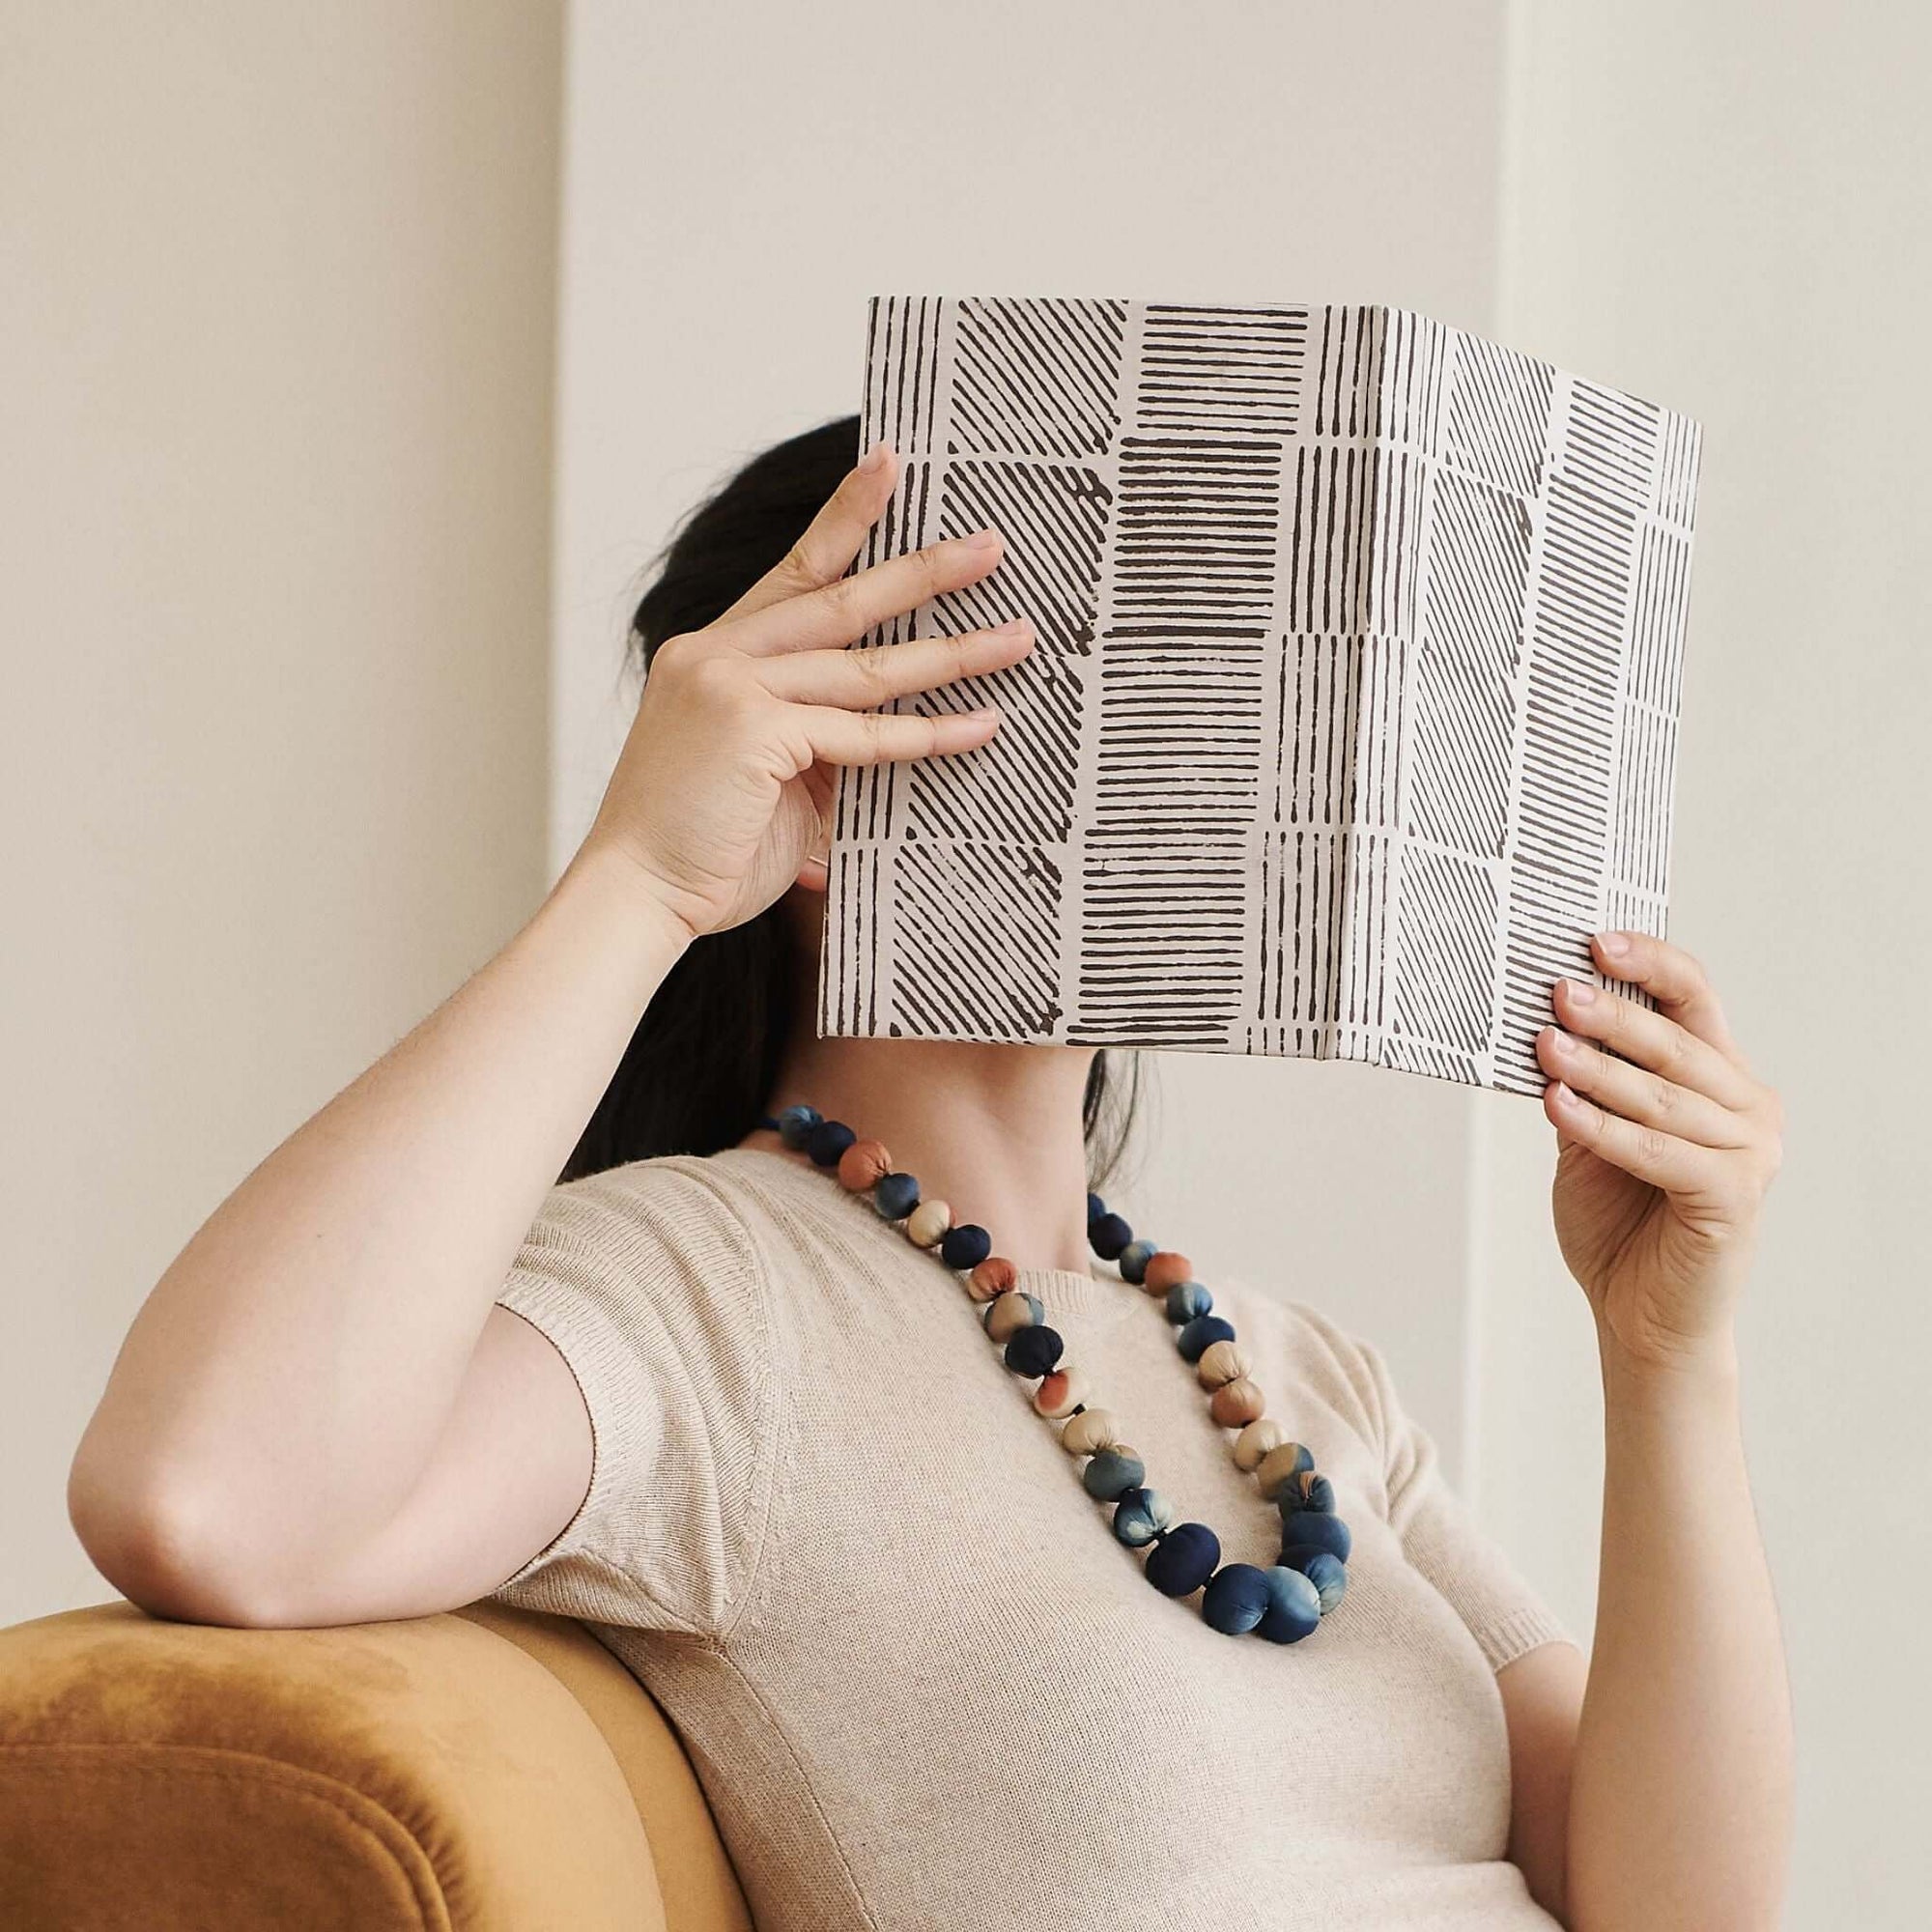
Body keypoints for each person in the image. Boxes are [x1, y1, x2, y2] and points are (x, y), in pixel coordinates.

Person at [68, 418, 1793, 1931]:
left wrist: (1668, 1360)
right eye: (1099, 683)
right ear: (826, 764)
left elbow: (1686, 1914)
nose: (1197, 745)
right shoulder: (709, 1296)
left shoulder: (1290, 1371)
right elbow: (212, 1505)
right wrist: (641, 882)